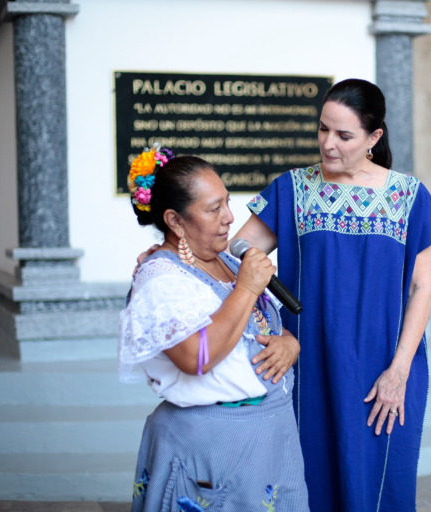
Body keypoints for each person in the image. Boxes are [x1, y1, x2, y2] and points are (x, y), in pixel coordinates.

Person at [236, 79, 431, 511]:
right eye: (322, 129)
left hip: (385, 369)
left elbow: (423, 287)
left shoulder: (410, 197)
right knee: (308, 485)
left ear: (373, 138)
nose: (328, 144)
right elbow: (233, 253)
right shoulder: (293, 189)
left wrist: (399, 371)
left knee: (379, 488)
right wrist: (176, 248)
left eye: (344, 135)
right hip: (308, 364)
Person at [119, 147, 309, 511]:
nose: (229, 218)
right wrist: (248, 287)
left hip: (270, 438)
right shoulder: (161, 279)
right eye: (213, 209)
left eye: (226, 202)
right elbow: (196, 357)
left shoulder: (227, 261)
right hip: (210, 447)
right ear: (175, 221)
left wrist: (289, 343)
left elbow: (255, 329)